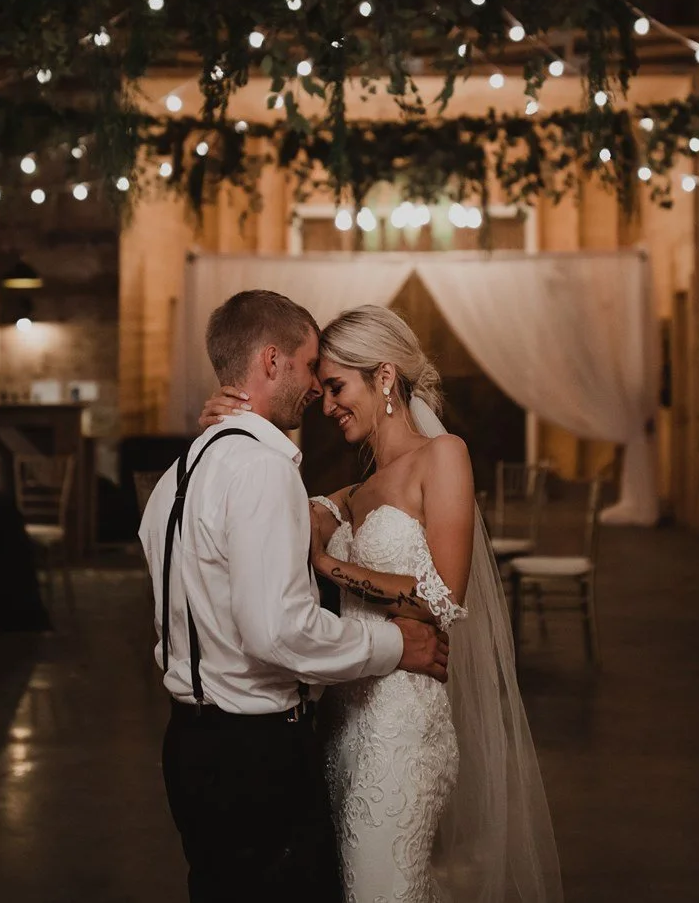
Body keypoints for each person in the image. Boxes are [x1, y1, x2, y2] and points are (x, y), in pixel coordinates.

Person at [201, 304, 563, 903]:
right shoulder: (355, 490)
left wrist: (329, 564)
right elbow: (262, 508)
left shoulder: (445, 457)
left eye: (338, 387)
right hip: (345, 716)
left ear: (386, 377)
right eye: (322, 389)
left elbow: (443, 599)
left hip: (403, 722)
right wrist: (226, 425)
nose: (326, 404)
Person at [142, 290, 451, 903]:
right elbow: (278, 632)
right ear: (272, 360)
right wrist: (394, 643)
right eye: (313, 369)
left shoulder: (180, 471)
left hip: (190, 745)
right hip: (253, 754)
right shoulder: (261, 468)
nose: (317, 390)